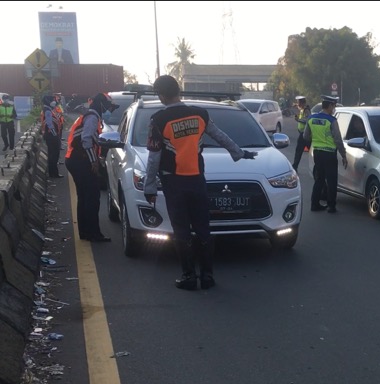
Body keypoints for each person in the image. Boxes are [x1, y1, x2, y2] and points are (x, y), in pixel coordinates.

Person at [144, 75, 257, 290]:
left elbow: (153, 158)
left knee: (181, 230)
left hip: (173, 182)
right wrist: (239, 153)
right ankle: (207, 276)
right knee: (203, 228)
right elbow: (220, 136)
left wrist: (149, 187)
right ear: (178, 91)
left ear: (161, 95)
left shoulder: (158, 120)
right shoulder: (200, 114)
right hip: (197, 180)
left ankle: (189, 276)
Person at [65, 93, 119, 242]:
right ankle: (93, 233)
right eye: (108, 107)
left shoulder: (90, 116)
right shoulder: (92, 117)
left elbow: (92, 139)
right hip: (80, 161)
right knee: (92, 198)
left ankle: (85, 233)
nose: (108, 110)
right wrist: (93, 161)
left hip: (74, 160)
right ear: (101, 105)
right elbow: (86, 139)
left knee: (83, 197)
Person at [303, 95, 347, 213]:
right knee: (331, 180)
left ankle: (314, 204)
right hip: (330, 155)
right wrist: (343, 155)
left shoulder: (311, 118)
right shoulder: (332, 120)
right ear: (330, 106)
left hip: (317, 153)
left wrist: (316, 141)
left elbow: (305, 136)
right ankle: (331, 206)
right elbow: (337, 139)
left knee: (319, 180)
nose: (334, 109)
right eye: (334, 106)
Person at [41, 95, 63, 178]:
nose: (54, 102)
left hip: (49, 135)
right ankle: (54, 173)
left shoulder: (48, 109)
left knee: (52, 154)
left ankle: (52, 173)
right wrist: (55, 135)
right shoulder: (47, 111)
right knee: (54, 155)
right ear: (47, 101)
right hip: (51, 136)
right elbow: (50, 124)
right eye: (52, 100)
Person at [291, 95, 312, 171]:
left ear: (303, 103)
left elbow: (308, 120)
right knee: (299, 151)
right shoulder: (302, 109)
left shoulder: (306, 110)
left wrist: (298, 120)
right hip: (302, 133)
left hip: (306, 134)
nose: (298, 104)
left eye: (299, 102)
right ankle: (295, 166)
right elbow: (297, 107)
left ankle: (295, 166)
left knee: (300, 151)